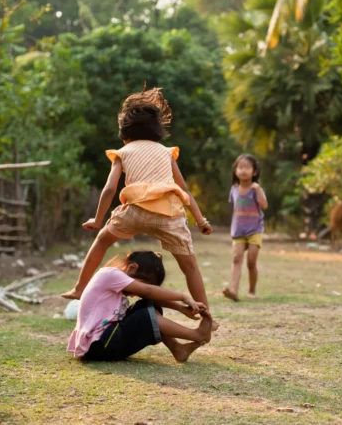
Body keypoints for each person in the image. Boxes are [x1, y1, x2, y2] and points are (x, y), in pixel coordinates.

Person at [61, 88, 214, 317]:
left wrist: (98, 219)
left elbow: (110, 189)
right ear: (157, 133)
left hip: (135, 211)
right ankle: (205, 315)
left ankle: (79, 288)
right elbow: (184, 190)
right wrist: (201, 220)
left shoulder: (123, 152)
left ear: (125, 135)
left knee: (102, 240)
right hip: (168, 215)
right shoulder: (166, 153)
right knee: (189, 267)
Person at [67, 251, 212, 362]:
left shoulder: (117, 280)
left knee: (147, 304)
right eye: (140, 286)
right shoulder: (109, 274)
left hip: (107, 341)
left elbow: (150, 295)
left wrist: (180, 308)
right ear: (131, 268)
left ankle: (178, 349)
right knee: (144, 315)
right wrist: (183, 297)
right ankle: (196, 335)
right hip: (98, 345)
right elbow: (148, 291)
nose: (132, 295)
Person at [223, 154, 267, 302]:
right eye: (240, 167)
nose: (243, 170)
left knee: (251, 261)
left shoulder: (256, 189)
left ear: (254, 172)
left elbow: (264, 206)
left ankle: (252, 289)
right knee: (236, 259)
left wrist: (259, 190)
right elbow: (235, 208)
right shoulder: (234, 189)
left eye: (247, 168)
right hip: (239, 231)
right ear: (235, 171)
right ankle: (234, 291)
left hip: (255, 230)